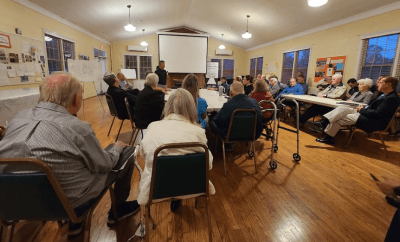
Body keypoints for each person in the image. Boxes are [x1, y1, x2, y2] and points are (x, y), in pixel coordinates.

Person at [0, 72, 139, 235]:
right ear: (75, 99)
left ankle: (74, 221)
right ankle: (117, 210)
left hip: (12, 203)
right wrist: (116, 147)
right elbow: (105, 165)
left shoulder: (17, 118)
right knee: (127, 151)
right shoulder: (78, 128)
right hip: (69, 204)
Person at [137, 88, 215, 211]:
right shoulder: (198, 132)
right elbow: (208, 164)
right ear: (191, 108)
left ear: (167, 106)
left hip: (157, 188)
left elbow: (145, 157)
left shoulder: (153, 128)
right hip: (193, 187)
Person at [314, 77, 400, 144]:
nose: (378, 84)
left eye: (381, 82)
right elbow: (372, 107)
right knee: (342, 109)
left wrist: (362, 109)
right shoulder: (384, 95)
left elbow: (378, 114)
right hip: (366, 114)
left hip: (372, 121)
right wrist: (363, 108)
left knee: (338, 118)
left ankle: (328, 137)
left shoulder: (391, 98)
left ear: (389, 84)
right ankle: (324, 122)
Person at [308, 78, 373, 133]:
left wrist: (353, 102)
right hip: (347, 107)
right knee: (335, 109)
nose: (359, 86)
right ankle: (325, 128)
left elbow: (365, 104)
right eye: (359, 85)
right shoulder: (356, 93)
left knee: (338, 112)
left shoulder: (369, 94)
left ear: (366, 86)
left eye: (361, 85)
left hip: (356, 110)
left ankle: (324, 123)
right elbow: (349, 100)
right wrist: (350, 101)